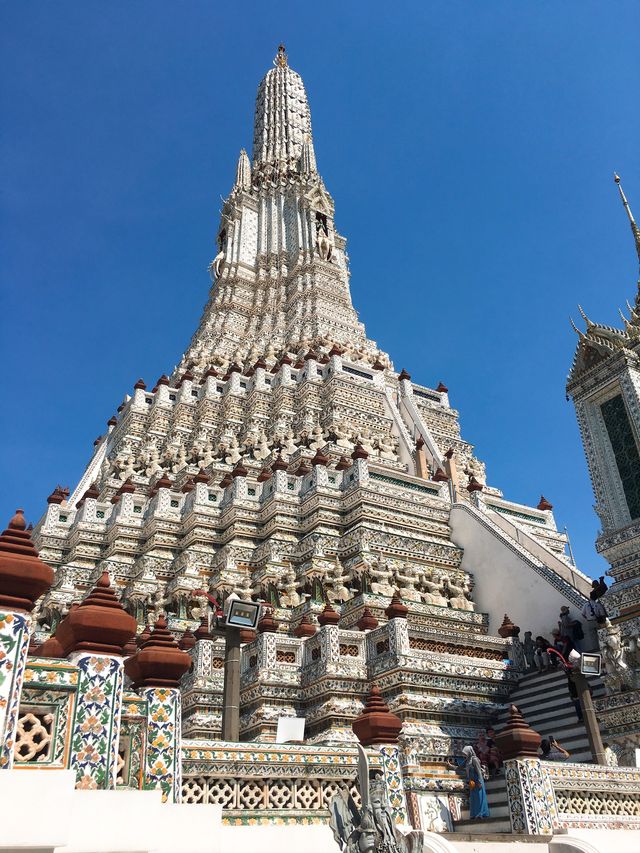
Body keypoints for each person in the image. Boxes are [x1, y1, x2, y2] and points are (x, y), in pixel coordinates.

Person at [462, 745, 490, 819]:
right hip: (472, 781)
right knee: (474, 798)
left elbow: (479, 772)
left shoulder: (474, 759)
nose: (464, 754)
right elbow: (459, 768)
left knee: (479, 797)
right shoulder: (467, 760)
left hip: (477, 780)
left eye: (465, 753)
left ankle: (481, 813)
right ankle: (474, 814)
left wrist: (480, 781)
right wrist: (449, 765)